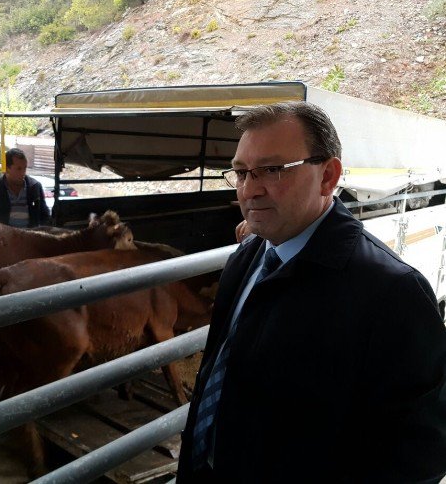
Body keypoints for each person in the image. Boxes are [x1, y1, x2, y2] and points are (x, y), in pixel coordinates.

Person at [177, 102, 446, 482]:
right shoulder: (247, 258)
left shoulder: (392, 294)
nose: (249, 190)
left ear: (328, 176)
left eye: (271, 170)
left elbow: (418, 458)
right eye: (241, 172)